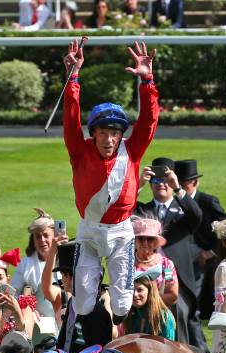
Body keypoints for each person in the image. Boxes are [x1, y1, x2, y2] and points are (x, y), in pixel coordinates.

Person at [63, 38, 159, 324]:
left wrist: (147, 82)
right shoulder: (79, 150)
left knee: (121, 305)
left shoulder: (133, 149)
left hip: (121, 234)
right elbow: (70, 118)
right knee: (81, 305)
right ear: (93, 133)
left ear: (121, 135)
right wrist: (73, 77)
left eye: (114, 133)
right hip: (89, 232)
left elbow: (149, 120)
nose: (108, 139)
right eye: (103, 133)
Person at [135, 157, 203, 347]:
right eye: (156, 180)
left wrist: (179, 189)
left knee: (180, 318)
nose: (161, 184)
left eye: (165, 179)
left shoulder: (183, 208)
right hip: (143, 278)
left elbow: (197, 215)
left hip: (176, 278)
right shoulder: (143, 209)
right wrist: (138, 185)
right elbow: (122, 211)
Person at [175, 159, 226, 321]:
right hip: (177, 255)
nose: (180, 187)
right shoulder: (173, 199)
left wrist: (211, 252)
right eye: (178, 183)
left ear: (195, 182)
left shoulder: (208, 201)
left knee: (193, 298)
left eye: (184, 183)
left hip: (199, 258)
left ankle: (191, 323)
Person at [43, 240, 113, 353]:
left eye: (63, 275)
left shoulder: (97, 313)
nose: (61, 280)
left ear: (72, 277)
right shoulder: (72, 302)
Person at [11, 208, 59, 328]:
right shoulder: (25, 264)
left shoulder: (67, 260)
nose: (42, 240)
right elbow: (13, 295)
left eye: (46, 235)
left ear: (55, 236)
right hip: (37, 324)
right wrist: (29, 311)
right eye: (38, 237)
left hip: (64, 320)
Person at [132, 216, 178, 307]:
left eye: (149, 239)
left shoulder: (166, 265)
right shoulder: (126, 263)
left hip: (156, 314)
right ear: (134, 241)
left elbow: (172, 295)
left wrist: (145, 299)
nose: (145, 242)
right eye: (141, 238)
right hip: (128, 315)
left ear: (156, 242)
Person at [121, 270, 176, 341]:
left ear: (150, 292)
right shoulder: (130, 314)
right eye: (131, 290)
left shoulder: (164, 316)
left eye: (140, 290)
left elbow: (168, 348)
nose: (135, 294)